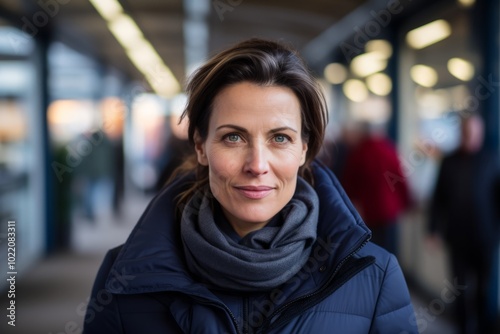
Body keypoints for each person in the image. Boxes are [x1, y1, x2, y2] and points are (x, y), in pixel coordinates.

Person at [84, 38, 417, 333]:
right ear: (200, 146)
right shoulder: (126, 277)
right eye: (233, 137)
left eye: (280, 138)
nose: (257, 165)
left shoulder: (373, 276)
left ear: (304, 148)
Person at [428, 113, 500, 334]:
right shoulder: (449, 162)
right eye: (467, 132)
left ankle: (482, 327)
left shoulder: (491, 160)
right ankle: (462, 328)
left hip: (485, 237)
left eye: (475, 133)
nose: (471, 137)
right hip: (457, 237)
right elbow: (437, 198)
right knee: (459, 288)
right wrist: (433, 230)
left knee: (483, 288)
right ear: (462, 133)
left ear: (480, 135)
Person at [340, 122, 410, 256]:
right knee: (390, 250)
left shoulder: (358, 154)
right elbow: (401, 178)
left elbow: (349, 184)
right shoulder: (390, 150)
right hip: (389, 210)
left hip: (368, 211)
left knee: (372, 250)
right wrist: (407, 202)